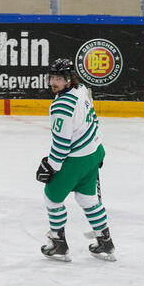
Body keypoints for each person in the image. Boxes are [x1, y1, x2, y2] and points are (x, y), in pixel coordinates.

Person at [36, 58, 115, 262]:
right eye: (52, 77)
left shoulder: (61, 106)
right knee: (87, 199)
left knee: (52, 197)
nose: (54, 82)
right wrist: (99, 150)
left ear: (69, 80)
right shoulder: (82, 91)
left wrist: (51, 166)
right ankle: (105, 242)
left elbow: (62, 145)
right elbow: (94, 121)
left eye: (59, 78)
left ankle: (58, 244)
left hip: (76, 160)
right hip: (92, 153)